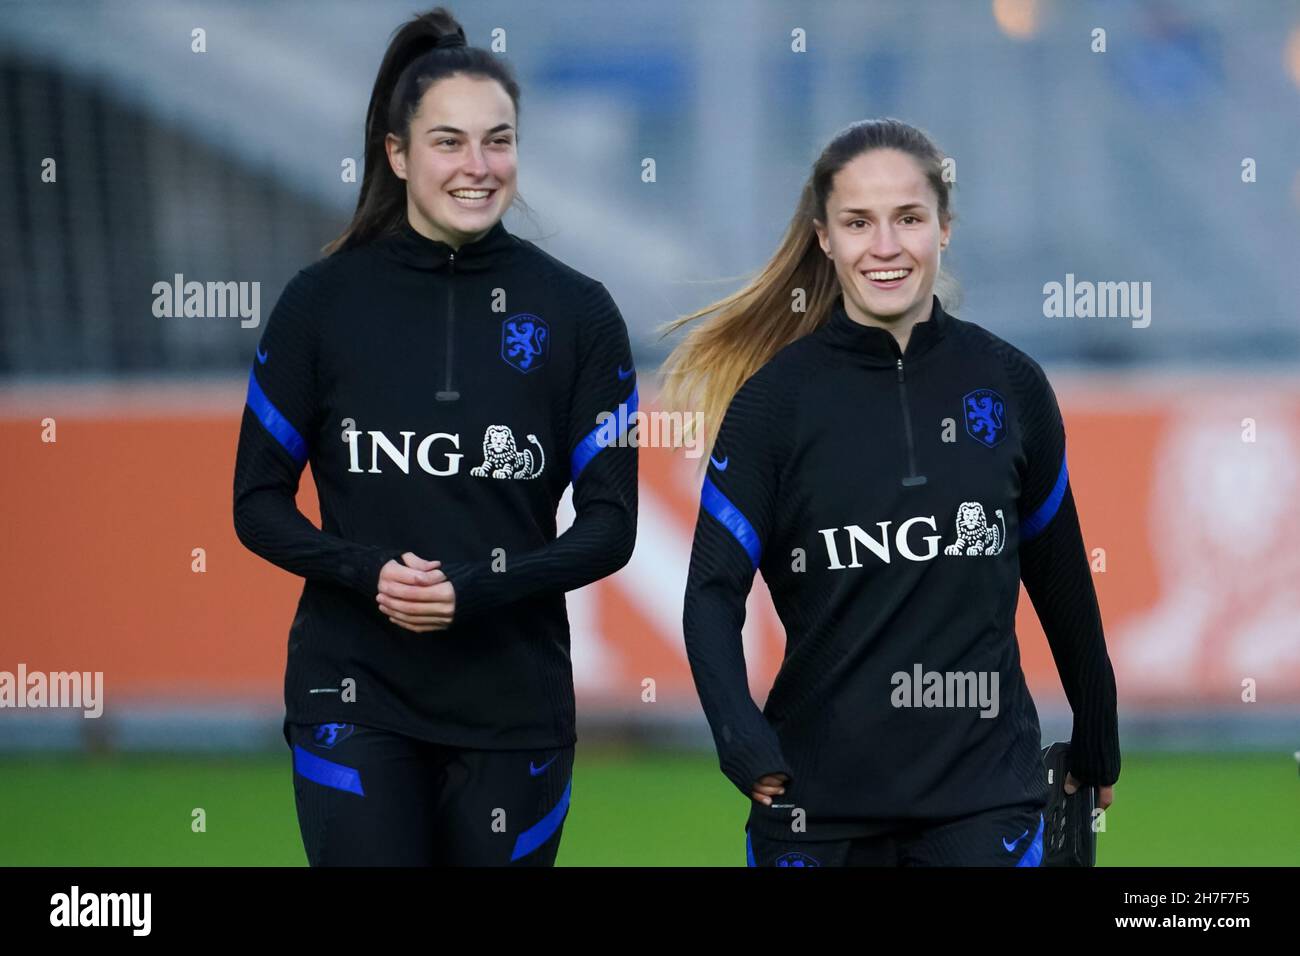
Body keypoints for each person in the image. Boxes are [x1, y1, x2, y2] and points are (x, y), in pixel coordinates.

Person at [232, 7, 638, 866]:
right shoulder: (323, 302)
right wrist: (367, 570)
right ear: (397, 153)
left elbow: (611, 527)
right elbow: (257, 503)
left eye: (499, 141)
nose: (478, 166)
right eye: (449, 142)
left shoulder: (578, 312)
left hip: (513, 703)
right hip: (353, 691)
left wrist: (479, 586)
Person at [661, 118, 1119, 867]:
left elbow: (1062, 578)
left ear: (944, 227)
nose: (884, 246)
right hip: (819, 807)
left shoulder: (1009, 384)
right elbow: (711, 594)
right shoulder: (773, 407)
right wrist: (738, 735)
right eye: (858, 223)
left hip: (984, 800)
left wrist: (1098, 733)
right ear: (824, 238)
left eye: (908, 218)